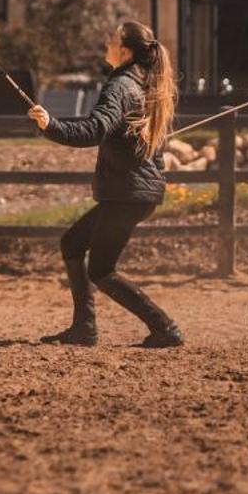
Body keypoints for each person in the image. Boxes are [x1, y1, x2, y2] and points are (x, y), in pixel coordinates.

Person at [26, 20, 184, 349]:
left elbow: (95, 130)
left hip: (127, 194)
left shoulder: (121, 87)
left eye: (112, 40)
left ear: (124, 51)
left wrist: (50, 125)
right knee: (72, 243)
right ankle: (84, 328)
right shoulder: (140, 85)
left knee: (101, 269)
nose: (106, 44)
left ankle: (165, 327)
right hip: (131, 193)